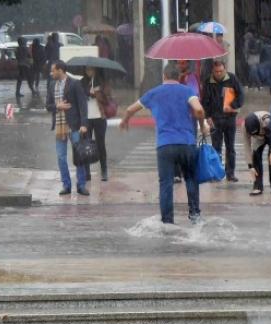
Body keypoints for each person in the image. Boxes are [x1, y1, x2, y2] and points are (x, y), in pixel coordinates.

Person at [120, 64, 209, 225]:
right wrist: (202, 126)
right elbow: (200, 110)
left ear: (164, 76)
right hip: (187, 143)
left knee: (166, 184)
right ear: (178, 76)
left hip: (165, 145)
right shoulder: (187, 91)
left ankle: (167, 221)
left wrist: (125, 120)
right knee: (190, 179)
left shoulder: (153, 93)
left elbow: (130, 109)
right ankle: (195, 215)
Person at [46, 60, 90, 196]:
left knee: (79, 157)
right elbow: (48, 106)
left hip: (75, 125)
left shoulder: (74, 84)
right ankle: (66, 185)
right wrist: (57, 107)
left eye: (53, 70)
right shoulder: (52, 84)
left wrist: (84, 124)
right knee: (61, 157)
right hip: (59, 126)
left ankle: (81, 185)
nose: (51, 73)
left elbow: (83, 104)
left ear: (60, 70)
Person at [201, 60, 245, 183]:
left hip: (230, 118)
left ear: (225, 69)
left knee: (230, 147)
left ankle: (230, 173)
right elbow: (205, 101)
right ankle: (216, 173)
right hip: (215, 119)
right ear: (212, 71)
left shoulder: (232, 78)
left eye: (221, 71)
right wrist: (207, 116)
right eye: (216, 72)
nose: (219, 74)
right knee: (216, 148)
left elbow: (241, 95)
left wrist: (233, 105)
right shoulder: (208, 81)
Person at [81, 66, 109, 182]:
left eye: (91, 69)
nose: (89, 72)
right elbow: (79, 96)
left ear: (95, 70)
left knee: (100, 145)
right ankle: (87, 172)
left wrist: (97, 93)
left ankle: (104, 171)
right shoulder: (82, 82)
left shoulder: (101, 82)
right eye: (87, 70)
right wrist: (88, 92)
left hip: (99, 117)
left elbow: (107, 100)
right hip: (86, 118)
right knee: (86, 145)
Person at [244, 111, 271, 196]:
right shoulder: (245, 126)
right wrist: (250, 166)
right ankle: (258, 186)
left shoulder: (267, 121)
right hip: (259, 140)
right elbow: (247, 146)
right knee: (255, 157)